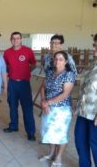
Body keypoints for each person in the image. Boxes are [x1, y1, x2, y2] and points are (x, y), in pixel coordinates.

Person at [39, 51, 75, 167]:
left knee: (61, 134)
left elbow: (65, 94)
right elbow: (43, 87)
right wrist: (44, 101)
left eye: (60, 59)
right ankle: (51, 153)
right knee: (50, 132)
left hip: (61, 109)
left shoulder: (69, 74)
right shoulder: (50, 72)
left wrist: (47, 102)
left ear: (66, 61)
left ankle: (58, 157)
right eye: (56, 59)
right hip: (48, 108)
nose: (57, 61)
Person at [3, 31, 37, 141]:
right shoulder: (7, 52)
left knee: (27, 108)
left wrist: (27, 71)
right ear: (11, 40)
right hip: (12, 82)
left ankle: (31, 132)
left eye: (17, 38)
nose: (15, 40)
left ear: (21, 39)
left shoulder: (28, 51)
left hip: (24, 83)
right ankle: (13, 126)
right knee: (12, 106)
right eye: (13, 38)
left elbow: (33, 64)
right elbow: (5, 66)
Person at [74, 34, 97, 167]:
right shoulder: (93, 64)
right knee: (80, 140)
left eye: (96, 46)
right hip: (83, 112)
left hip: (94, 115)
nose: (94, 49)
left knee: (95, 144)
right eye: (94, 45)